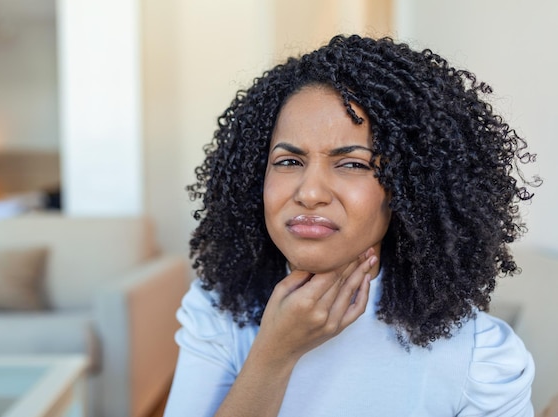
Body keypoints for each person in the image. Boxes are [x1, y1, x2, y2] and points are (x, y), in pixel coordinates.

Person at [163, 34, 539, 417]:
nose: (309, 193)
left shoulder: (480, 359)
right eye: (289, 162)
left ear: (407, 189)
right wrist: (273, 355)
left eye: (353, 164)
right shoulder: (217, 313)